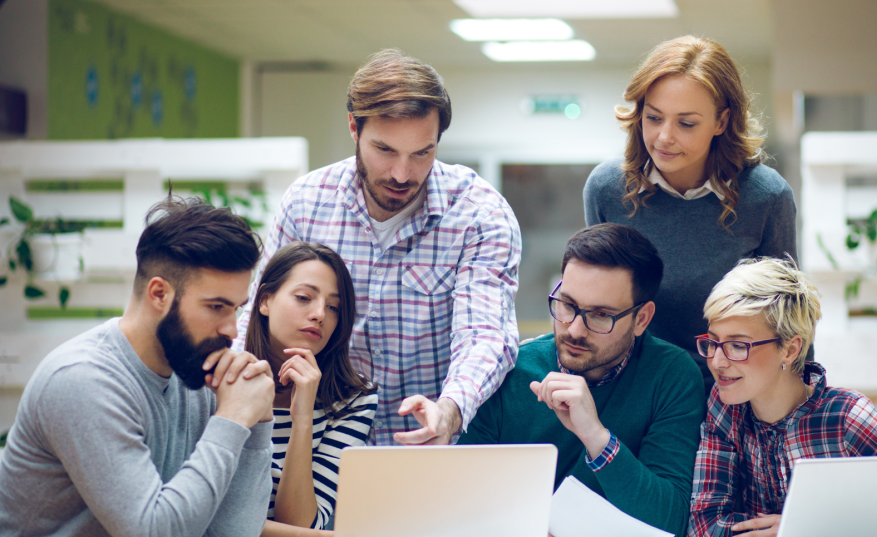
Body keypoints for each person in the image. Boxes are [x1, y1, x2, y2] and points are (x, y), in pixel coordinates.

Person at [236, 49, 521, 446]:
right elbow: (254, 316)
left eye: (422, 153)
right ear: (354, 127)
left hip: (431, 450)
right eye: (385, 150)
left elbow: (485, 334)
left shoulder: (480, 214)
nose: (402, 174)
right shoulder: (307, 202)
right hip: (319, 449)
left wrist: (450, 409)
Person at [0, 197, 276, 536]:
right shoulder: (84, 380)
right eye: (216, 306)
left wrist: (256, 424)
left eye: (235, 308)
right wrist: (232, 419)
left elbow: (230, 532)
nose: (232, 330)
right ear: (159, 294)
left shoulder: (196, 371)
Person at [583, 35, 800, 392]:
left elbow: (787, 322)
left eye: (686, 123)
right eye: (653, 117)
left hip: (735, 396)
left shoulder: (766, 197)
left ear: (722, 121)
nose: (664, 137)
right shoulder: (607, 189)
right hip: (638, 392)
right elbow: (601, 308)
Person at [461, 223, 704, 537]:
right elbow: (463, 507)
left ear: (641, 319)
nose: (574, 329)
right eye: (567, 305)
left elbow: (667, 521)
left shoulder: (672, 376)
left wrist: (596, 437)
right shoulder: (509, 371)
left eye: (601, 314)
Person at [688, 258, 877, 537]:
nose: (717, 362)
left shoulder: (848, 418)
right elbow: (704, 526)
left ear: (790, 350)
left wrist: (807, 526)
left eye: (737, 345)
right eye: (713, 342)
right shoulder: (724, 410)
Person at [243, 241, 378, 536]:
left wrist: (302, 417)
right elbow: (210, 515)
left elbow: (299, 524)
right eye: (304, 297)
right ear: (265, 300)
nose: (320, 314)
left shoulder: (355, 399)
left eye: (333, 307)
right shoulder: (222, 377)